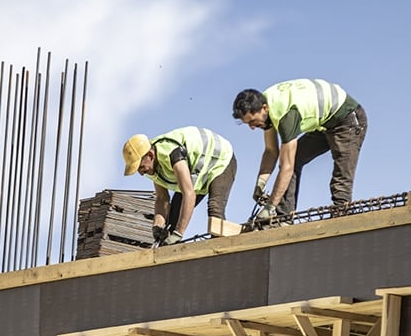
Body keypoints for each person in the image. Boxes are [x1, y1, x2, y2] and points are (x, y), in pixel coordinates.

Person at [231, 78, 367, 221]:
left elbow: (287, 168)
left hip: (348, 118)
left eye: (252, 121)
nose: (252, 127)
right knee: (294, 159)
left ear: (264, 108)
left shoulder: (286, 116)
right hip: (325, 124)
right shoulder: (266, 106)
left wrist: (270, 206)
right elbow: (271, 150)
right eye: (248, 124)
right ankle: (283, 218)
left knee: (342, 172)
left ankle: (341, 215)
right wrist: (261, 182)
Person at [122, 126, 237, 246]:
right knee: (171, 222)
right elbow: (162, 198)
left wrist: (179, 233)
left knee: (215, 209)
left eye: (140, 167)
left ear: (150, 156)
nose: (141, 173)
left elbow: (189, 194)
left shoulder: (171, 154)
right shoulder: (151, 166)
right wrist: (157, 226)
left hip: (221, 159)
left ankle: (219, 250)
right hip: (197, 171)